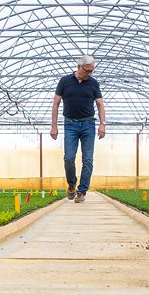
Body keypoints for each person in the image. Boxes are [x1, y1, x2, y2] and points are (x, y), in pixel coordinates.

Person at [50, 55, 104, 202]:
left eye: (92, 71)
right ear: (79, 67)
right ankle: (72, 184)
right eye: (87, 71)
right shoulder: (65, 81)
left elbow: (100, 104)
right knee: (69, 158)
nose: (90, 74)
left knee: (88, 159)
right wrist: (54, 125)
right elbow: (56, 103)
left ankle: (82, 192)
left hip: (88, 125)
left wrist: (102, 124)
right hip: (70, 125)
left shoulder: (93, 83)